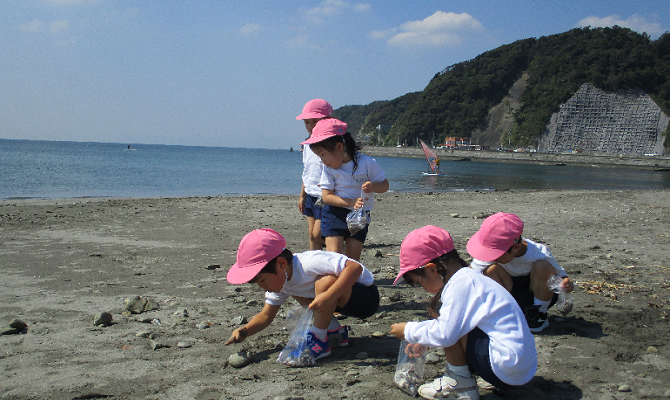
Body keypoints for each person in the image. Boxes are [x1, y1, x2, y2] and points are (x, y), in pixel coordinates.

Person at [390, 226, 537, 400]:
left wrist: (408, 331)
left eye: (418, 282)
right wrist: (425, 341)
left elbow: (446, 334)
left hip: (507, 366)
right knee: (451, 322)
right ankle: (471, 376)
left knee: (446, 324)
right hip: (520, 367)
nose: (422, 288)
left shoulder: (462, 284)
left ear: (432, 269)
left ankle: (460, 383)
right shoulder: (469, 278)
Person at [224, 228, 379, 361]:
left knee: (324, 282)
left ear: (281, 264)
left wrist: (330, 295)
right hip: (336, 300)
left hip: (365, 298)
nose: (263, 288)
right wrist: (245, 330)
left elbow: (355, 268)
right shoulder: (283, 281)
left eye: (263, 281)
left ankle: (319, 338)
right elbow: (265, 316)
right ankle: (333, 331)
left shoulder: (309, 262)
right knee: (298, 291)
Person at [466, 212, 574, 332]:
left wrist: (566, 284)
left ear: (515, 248)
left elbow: (561, 275)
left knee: (543, 266)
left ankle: (538, 314)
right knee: (491, 269)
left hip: (537, 293)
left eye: (495, 255)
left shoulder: (539, 253)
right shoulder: (493, 252)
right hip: (511, 292)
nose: (491, 257)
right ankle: (504, 310)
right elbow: (469, 274)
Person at [301, 118, 389, 261]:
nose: (322, 161)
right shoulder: (328, 168)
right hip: (334, 213)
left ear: (339, 147)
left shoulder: (366, 163)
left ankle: (350, 282)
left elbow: (385, 185)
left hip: (360, 215)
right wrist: (350, 202)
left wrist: (373, 186)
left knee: (352, 260)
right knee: (334, 258)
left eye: (323, 155)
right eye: (319, 157)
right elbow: (327, 197)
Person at [296, 99, 333, 250]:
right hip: (310, 194)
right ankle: (314, 265)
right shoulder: (307, 145)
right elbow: (307, 172)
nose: (310, 127)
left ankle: (336, 257)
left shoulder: (331, 144)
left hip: (324, 195)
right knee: (312, 235)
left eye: (315, 122)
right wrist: (302, 195)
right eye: (307, 122)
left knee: (319, 234)